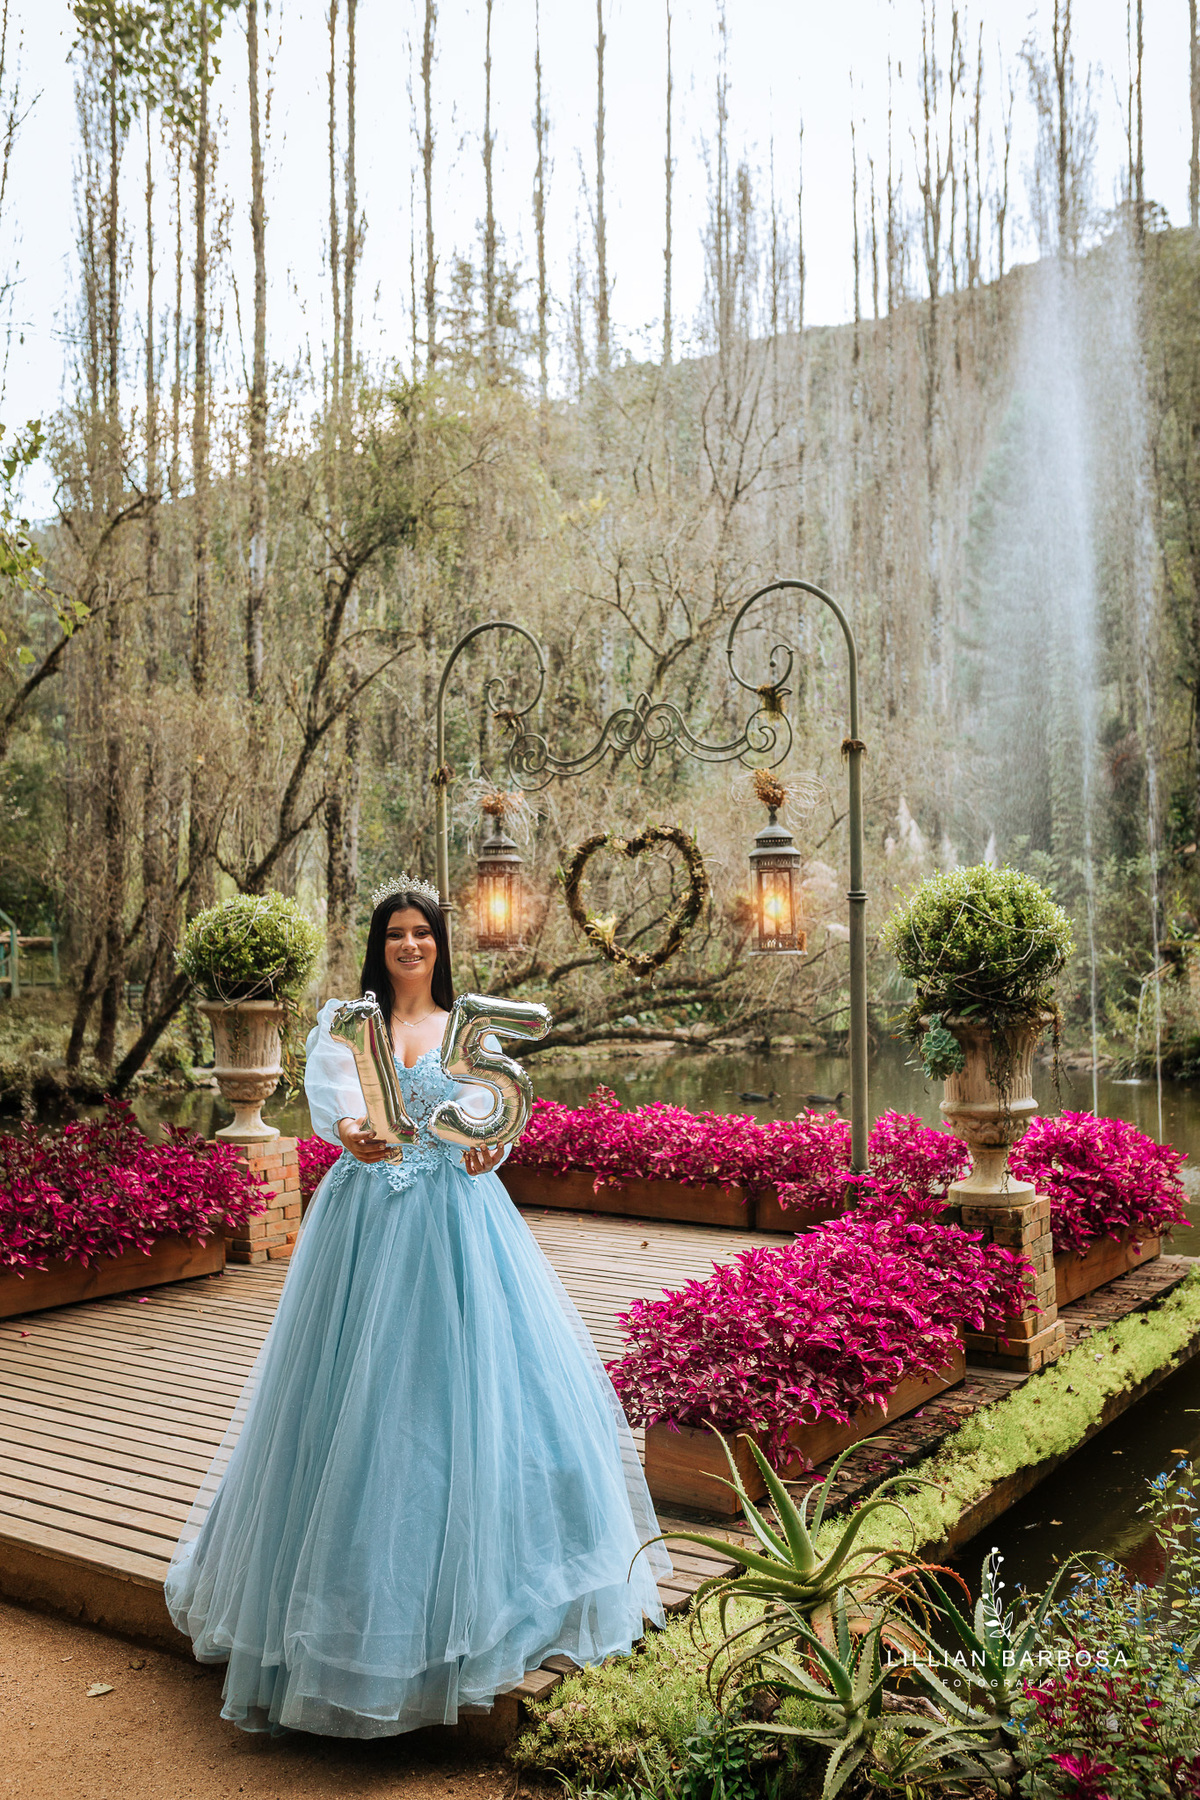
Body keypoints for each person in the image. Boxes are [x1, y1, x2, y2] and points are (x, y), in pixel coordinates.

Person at [165, 877, 668, 1737]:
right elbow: (339, 1116)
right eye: (396, 933)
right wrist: (351, 1134)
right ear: (380, 944)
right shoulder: (346, 1025)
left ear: (440, 945)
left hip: (457, 1226)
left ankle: (499, 1599)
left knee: (466, 1392)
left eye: (423, 933)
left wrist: (483, 1153)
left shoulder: (461, 1031)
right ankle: (333, 1626)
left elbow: (490, 1129)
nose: (409, 945)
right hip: (365, 1227)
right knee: (351, 1397)